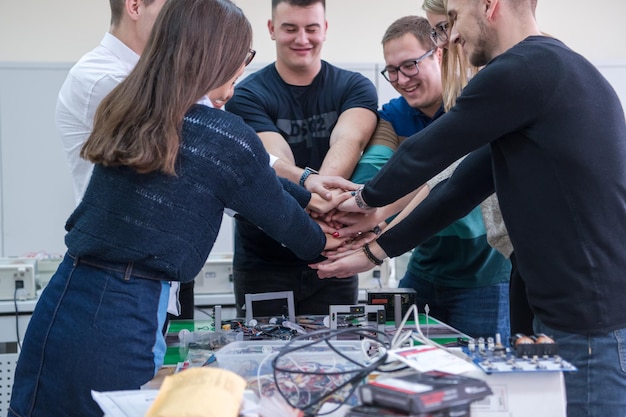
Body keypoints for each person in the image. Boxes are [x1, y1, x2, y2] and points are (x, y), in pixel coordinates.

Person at [8, 1, 344, 416]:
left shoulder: (138, 104)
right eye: (244, 57)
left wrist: (310, 196)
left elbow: (251, 177)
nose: (242, 74)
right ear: (217, 56)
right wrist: (335, 238)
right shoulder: (216, 132)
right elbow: (277, 211)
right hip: (118, 314)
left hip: (72, 297)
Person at [312, 0, 626, 415]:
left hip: (587, 324)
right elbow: (460, 187)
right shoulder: (546, 73)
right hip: (560, 316)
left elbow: (434, 148)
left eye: (453, 20)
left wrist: (362, 200)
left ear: (489, 5)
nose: (453, 37)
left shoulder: (525, 68)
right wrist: (373, 249)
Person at [349, 16, 511, 342]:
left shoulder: (474, 106)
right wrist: (347, 205)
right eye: (391, 70)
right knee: (398, 360)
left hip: (484, 277)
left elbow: (443, 185)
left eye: (409, 65)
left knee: (479, 377)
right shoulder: (393, 117)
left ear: (439, 53)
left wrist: (377, 224)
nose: (401, 79)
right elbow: (374, 172)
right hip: (423, 269)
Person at [225, 0, 378, 317]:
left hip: (335, 257)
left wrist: (319, 201)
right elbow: (275, 159)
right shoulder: (246, 94)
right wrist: (319, 199)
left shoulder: (355, 86)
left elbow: (349, 141)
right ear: (271, 29)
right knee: (262, 358)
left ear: (325, 29)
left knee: (340, 357)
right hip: (264, 262)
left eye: (311, 28)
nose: (302, 39)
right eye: (290, 28)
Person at [55, 0, 200, 323]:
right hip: (117, 279)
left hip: (159, 270)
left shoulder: (166, 79)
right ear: (134, 5)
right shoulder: (100, 78)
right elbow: (207, 153)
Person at [423, 0, 533, 337]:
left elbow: (446, 178)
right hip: (522, 258)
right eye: (438, 31)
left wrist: (369, 213)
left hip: (541, 263)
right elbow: (452, 180)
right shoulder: (483, 80)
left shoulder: (515, 74)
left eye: (449, 23)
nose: (449, 38)